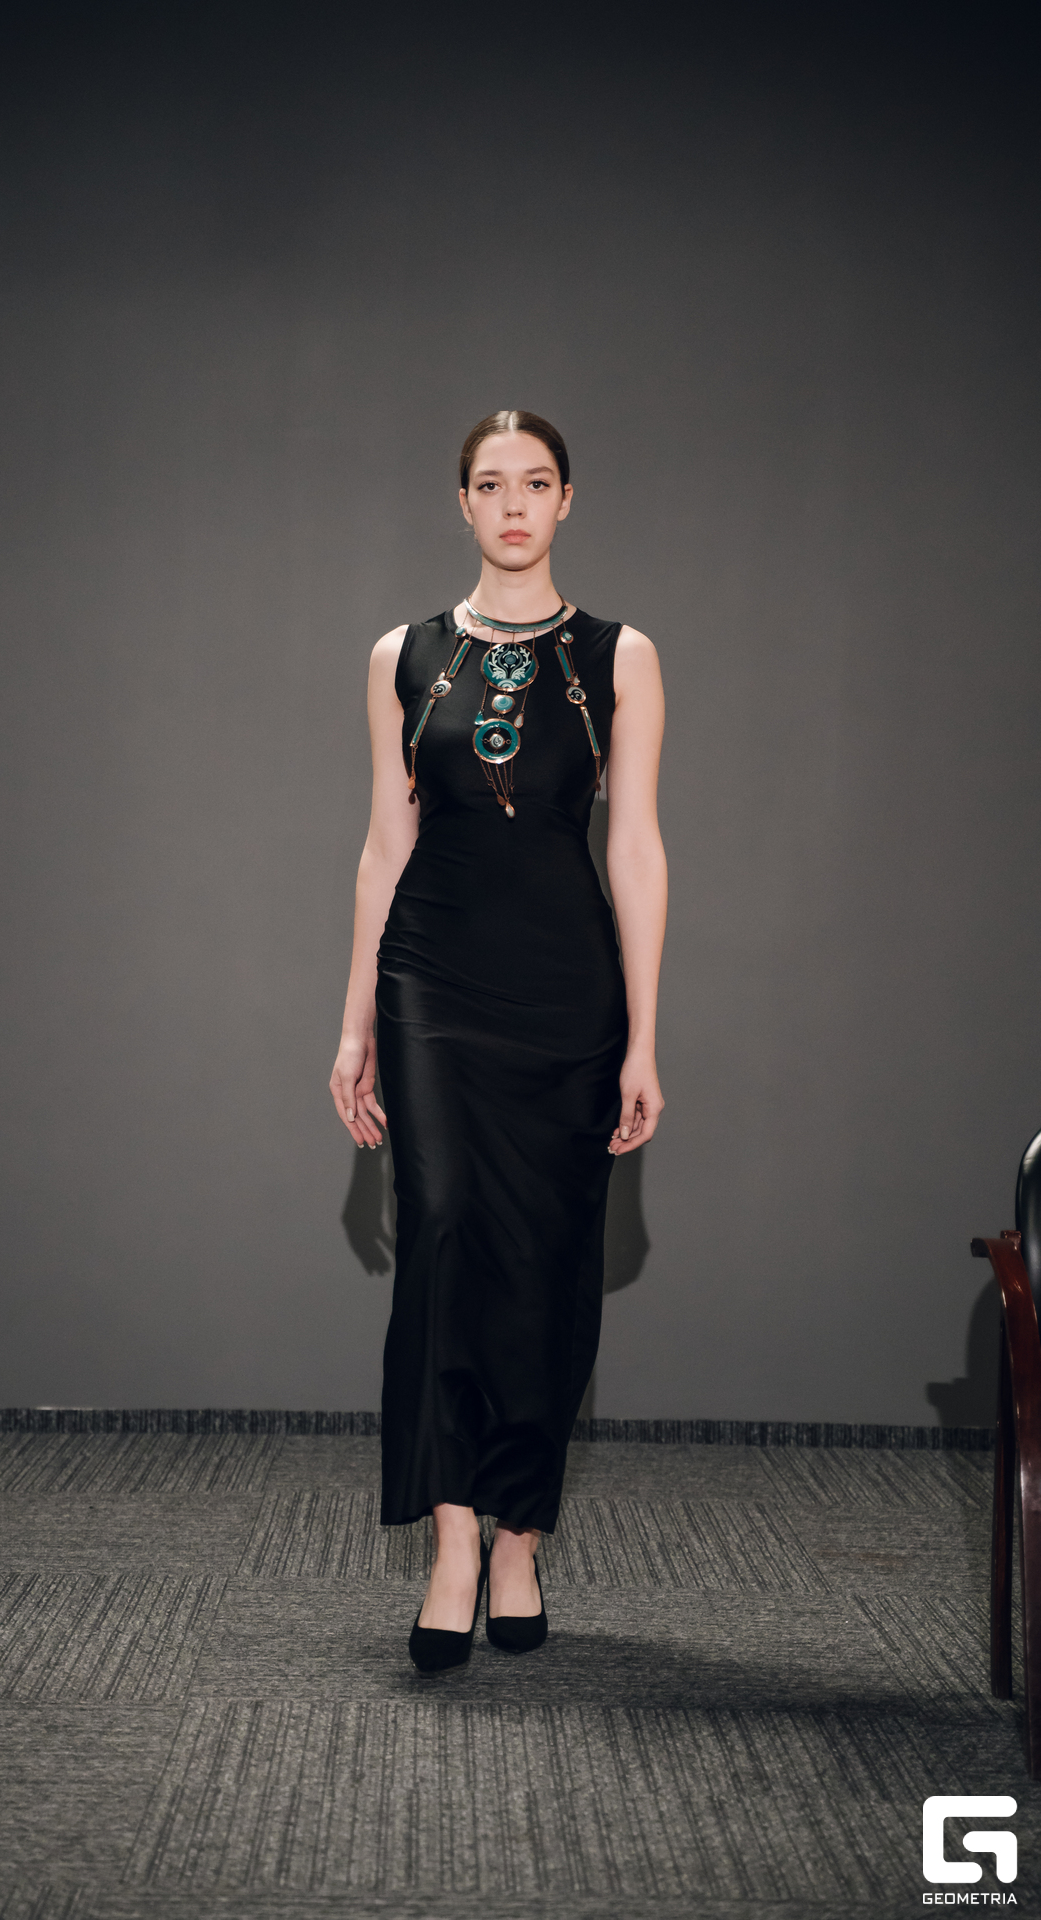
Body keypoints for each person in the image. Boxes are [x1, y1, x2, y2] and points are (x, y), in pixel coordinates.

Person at [329, 409, 667, 1671]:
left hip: (566, 991)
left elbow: (634, 847)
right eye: (489, 483)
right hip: (430, 981)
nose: (512, 503)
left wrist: (642, 1036)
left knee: (545, 1258)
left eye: (534, 482)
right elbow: (384, 845)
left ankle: (520, 1531)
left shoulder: (619, 654)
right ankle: (453, 1541)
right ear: (461, 502)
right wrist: (354, 1023)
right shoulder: (401, 654)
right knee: (441, 1237)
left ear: (565, 500)